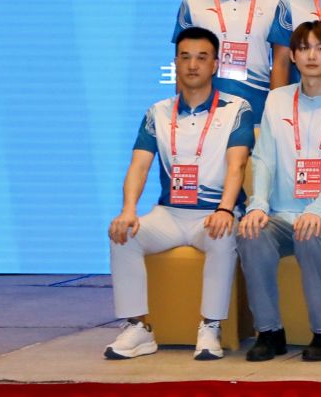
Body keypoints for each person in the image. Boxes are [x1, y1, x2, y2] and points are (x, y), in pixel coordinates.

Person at [104, 27, 253, 360]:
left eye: (201, 57)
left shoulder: (236, 108)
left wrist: (225, 209)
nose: (192, 65)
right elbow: (139, 166)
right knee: (123, 235)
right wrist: (128, 210)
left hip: (213, 212)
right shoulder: (157, 112)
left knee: (221, 235)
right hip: (170, 214)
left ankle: (210, 326)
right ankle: (138, 328)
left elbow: (237, 164)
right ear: (175, 63)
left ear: (215, 64)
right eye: (185, 57)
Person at [239, 20, 321, 361]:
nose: (312, 56)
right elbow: (264, 158)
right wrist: (258, 205)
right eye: (304, 48)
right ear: (293, 56)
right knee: (252, 233)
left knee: (311, 233)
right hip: (283, 214)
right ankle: (269, 332)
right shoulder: (277, 99)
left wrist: (318, 210)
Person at [174, 0, 280, 123]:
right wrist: (183, 116)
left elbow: (282, 64)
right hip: (204, 113)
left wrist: (276, 116)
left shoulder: (275, 2)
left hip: (258, 113)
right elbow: (183, 62)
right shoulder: (193, 1)